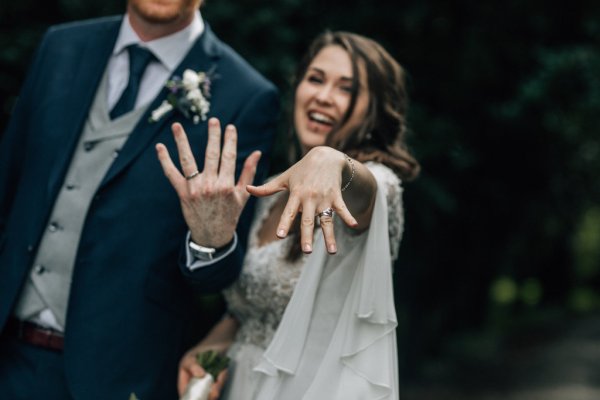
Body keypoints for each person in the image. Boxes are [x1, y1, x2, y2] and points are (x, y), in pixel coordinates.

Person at [0, 0, 279, 399]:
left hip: (119, 378)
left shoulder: (246, 95)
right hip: (9, 357)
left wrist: (210, 237)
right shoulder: (60, 47)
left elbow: (217, 279)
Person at [172, 31, 420, 399]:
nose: (323, 96)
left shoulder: (377, 187)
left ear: (373, 111)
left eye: (346, 89)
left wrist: (334, 163)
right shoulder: (271, 191)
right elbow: (253, 313)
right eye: (316, 79)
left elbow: (367, 191)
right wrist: (212, 345)